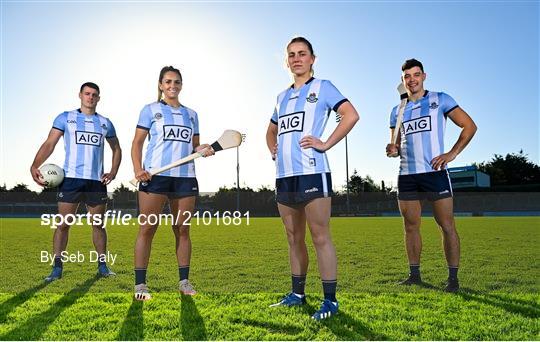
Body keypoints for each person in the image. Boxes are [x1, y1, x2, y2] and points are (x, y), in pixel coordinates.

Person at [266, 37, 359, 320]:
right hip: (284, 176)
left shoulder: (323, 87)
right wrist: (273, 148)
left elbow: (350, 115)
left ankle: (330, 301)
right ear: (287, 61)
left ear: (312, 59)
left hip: (312, 172)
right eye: (291, 55)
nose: (296, 58)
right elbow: (270, 130)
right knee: (294, 238)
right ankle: (297, 294)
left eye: (302, 54)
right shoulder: (281, 97)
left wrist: (326, 143)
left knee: (320, 236)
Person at [386, 59, 477, 292]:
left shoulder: (441, 99)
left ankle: (453, 279)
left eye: (416, 75)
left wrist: (452, 154)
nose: (412, 79)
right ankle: (414, 275)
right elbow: (394, 146)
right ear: (403, 80)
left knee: (446, 225)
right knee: (410, 226)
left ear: (424, 76)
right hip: (407, 175)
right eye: (407, 76)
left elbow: (469, 126)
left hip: (435, 173)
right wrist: (392, 150)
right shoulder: (397, 110)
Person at [131, 66, 214, 301]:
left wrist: (202, 149)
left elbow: (194, 147)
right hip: (155, 177)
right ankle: (140, 285)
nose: (172, 86)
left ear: (181, 85)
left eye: (176, 82)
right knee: (147, 229)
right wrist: (138, 169)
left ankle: (184, 282)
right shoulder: (150, 110)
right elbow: (137, 143)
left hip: (185, 178)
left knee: (183, 229)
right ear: (160, 85)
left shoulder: (192, 115)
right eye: (168, 82)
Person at [30, 82, 122, 282]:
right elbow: (49, 143)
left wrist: (113, 172)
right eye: (87, 93)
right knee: (63, 224)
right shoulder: (65, 118)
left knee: (98, 224)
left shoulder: (106, 123)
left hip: (96, 182)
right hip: (70, 179)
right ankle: (57, 267)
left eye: (94, 94)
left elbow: (116, 148)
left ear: (99, 98)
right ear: (80, 95)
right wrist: (35, 165)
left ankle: (103, 266)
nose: (90, 97)